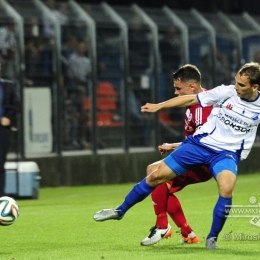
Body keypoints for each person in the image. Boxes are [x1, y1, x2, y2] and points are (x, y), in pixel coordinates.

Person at [93, 62, 260, 249]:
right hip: (200, 146)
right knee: (156, 175)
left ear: (255, 87)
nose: (236, 87)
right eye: (236, 82)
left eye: (241, 85)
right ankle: (120, 210)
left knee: (227, 189)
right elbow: (190, 99)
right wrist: (159, 106)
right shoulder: (226, 92)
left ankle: (211, 238)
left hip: (226, 154)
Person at [140, 64, 213, 246]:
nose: (176, 92)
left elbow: (204, 143)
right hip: (195, 156)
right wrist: (174, 145)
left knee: (156, 176)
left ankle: (162, 226)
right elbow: (196, 140)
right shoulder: (198, 102)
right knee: (161, 183)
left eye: (178, 88)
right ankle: (188, 233)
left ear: (192, 87)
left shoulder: (203, 110)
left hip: (201, 161)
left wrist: (175, 146)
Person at [0, 63, 20, 196]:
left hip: (2, 129)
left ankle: (0, 196)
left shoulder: (8, 86)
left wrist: (8, 116)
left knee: (0, 163)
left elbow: (17, 106)